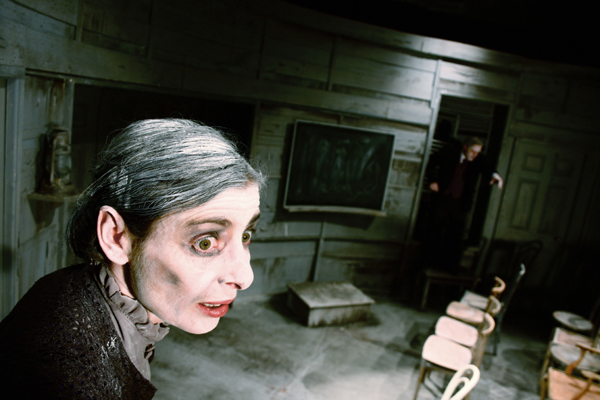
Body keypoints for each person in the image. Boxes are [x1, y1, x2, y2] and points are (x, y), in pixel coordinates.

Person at [0, 119, 264, 399]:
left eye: (246, 235)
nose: (245, 277)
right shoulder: (75, 377)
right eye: (205, 243)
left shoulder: (75, 286)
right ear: (116, 237)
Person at [422, 136, 502, 274]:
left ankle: (449, 268)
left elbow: (488, 168)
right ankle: (427, 265)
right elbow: (432, 161)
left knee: (456, 234)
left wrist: (495, 175)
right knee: (433, 230)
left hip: (460, 202)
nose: (475, 155)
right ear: (465, 147)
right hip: (443, 197)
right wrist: (432, 180)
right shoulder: (450, 152)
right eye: (472, 151)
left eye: (477, 152)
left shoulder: (477, 159)